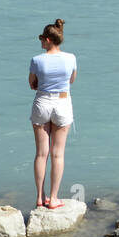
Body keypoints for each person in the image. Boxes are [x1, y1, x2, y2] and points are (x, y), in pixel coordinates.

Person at [29, 18, 76, 209]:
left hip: (43, 102)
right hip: (63, 102)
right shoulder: (71, 58)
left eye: (41, 38)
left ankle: (40, 197)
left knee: (41, 153)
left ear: (48, 40)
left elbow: (32, 83)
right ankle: (54, 198)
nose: (40, 41)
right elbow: (71, 80)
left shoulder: (37, 60)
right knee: (58, 154)